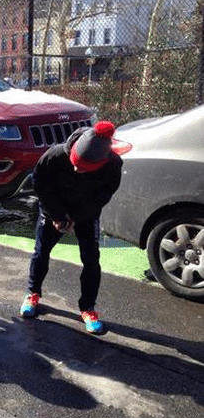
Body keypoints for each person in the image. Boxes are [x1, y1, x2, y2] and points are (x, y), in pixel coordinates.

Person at [19, 121, 123, 334]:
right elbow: (39, 183)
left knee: (91, 259)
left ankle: (88, 308)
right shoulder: (55, 155)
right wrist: (57, 215)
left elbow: (104, 194)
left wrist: (77, 217)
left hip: (86, 212)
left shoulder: (113, 164)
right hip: (53, 210)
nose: (76, 169)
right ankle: (32, 293)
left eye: (83, 168)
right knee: (41, 251)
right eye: (75, 163)